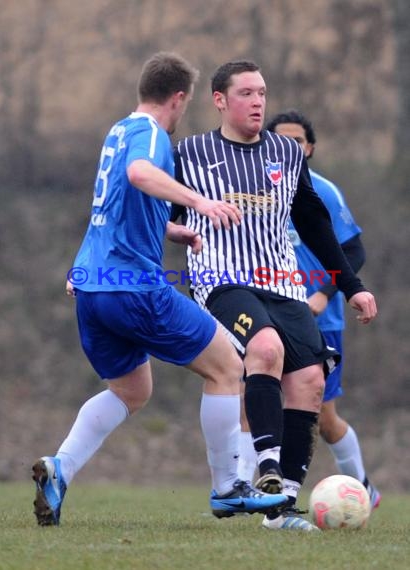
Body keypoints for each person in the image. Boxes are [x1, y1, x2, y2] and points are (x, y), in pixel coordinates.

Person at [31, 52, 288, 526]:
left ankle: (59, 469)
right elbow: (140, 176)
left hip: (93, 286)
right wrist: (199, 202)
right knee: (229, 366)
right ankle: (229, 488)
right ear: (177, 98)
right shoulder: (150, 134)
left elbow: (118, 203)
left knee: (131, 389)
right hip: (134, 285)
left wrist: (174, 230)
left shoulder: (118, 131)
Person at [172, 60, 377, 531]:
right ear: (220, 100)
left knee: (310, 381)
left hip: (284, 285)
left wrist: (352, 287)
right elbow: (150, 214)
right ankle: (264, 469)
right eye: (246, 93)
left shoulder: (285, 153)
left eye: (262, 92)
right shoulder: (190, 154)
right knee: (266, 348)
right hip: (221, 281)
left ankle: (281, 506)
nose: (258, 101)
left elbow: (315, 224)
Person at [264, 109, 381, 509]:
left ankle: (362, 488)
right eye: (280, 140)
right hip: (266, 313)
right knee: (252, 400)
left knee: (324, 419)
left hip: (320, 322)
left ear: (309, 148)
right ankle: (251, 494)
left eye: (297, 141)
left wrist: (323, 293)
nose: (289, 147)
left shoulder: (324, 192)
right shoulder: (254, 191)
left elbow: (354, 249)